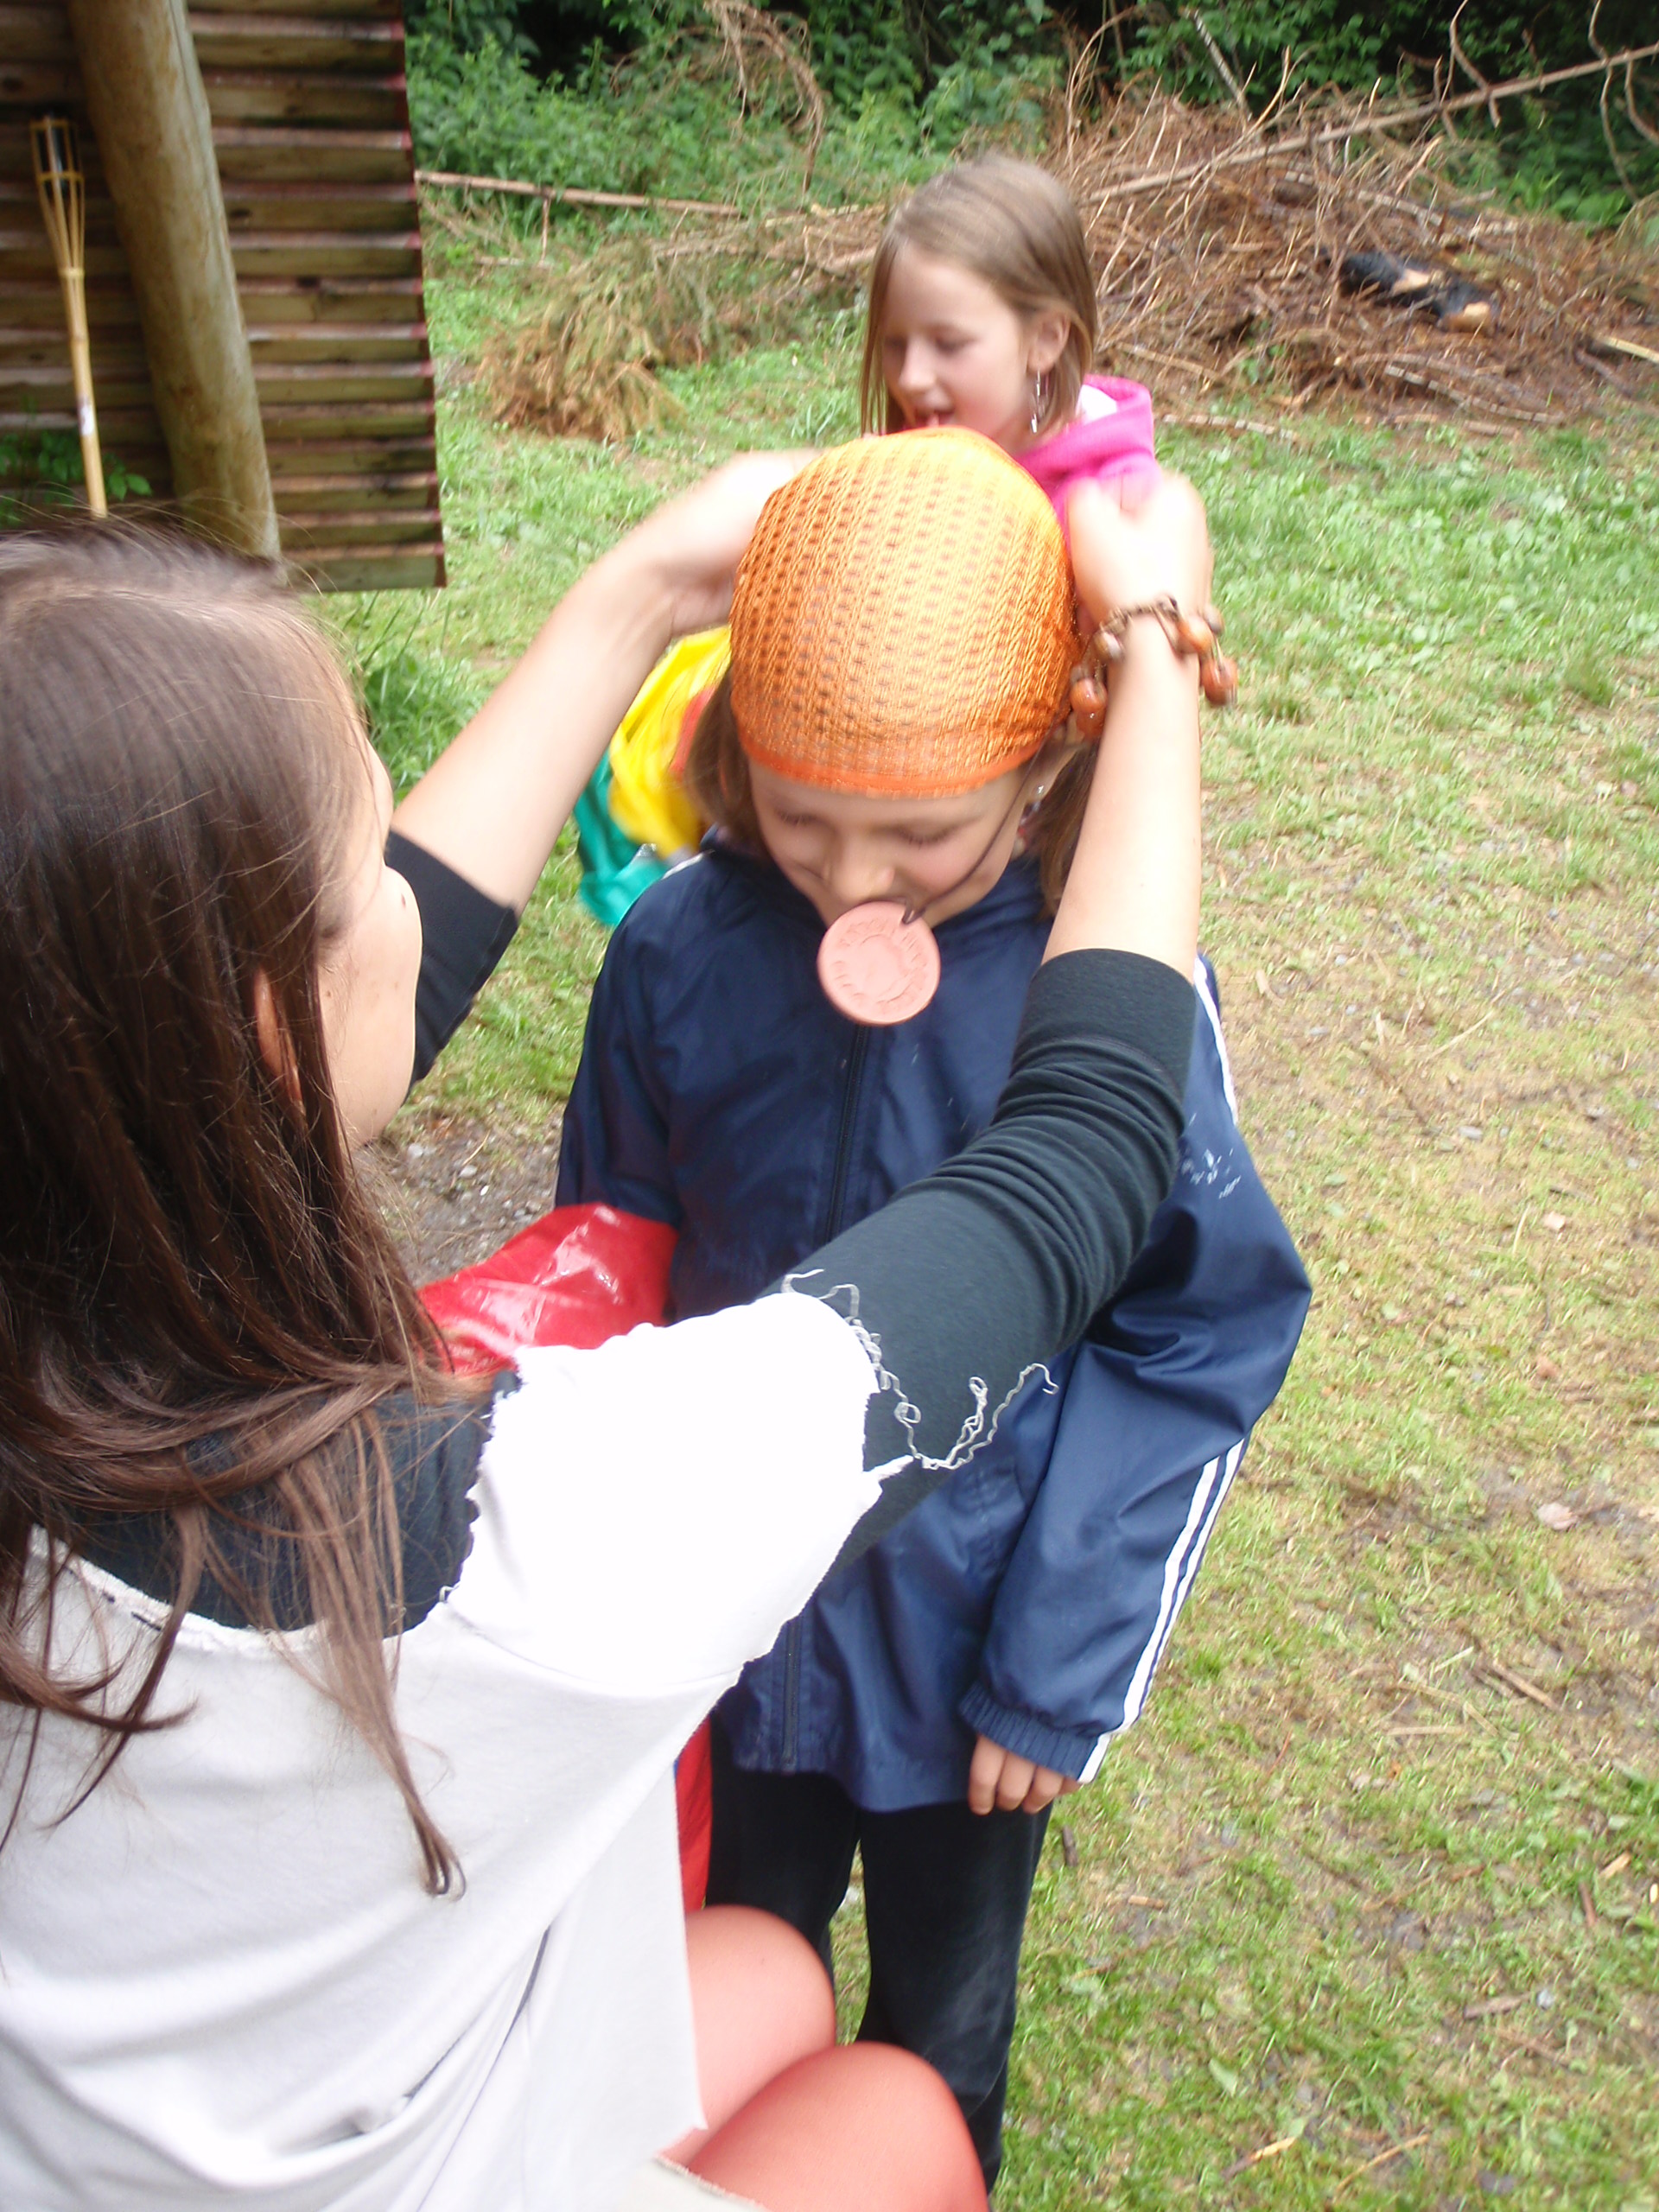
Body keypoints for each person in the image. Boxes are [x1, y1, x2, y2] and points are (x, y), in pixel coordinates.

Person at [0, 449, 1213, 2212]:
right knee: (899, 2115)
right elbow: (1081, 1162)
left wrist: (641, 589)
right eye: (374, 864)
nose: (415, 900)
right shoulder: (518, 1554)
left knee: (769, 1970)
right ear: (270, 1026)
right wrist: (1159, 642)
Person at [556, 429, 1310, 2190]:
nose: (854, 883)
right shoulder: (674, 951)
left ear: (1046, 766)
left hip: (969, 1675)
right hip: (719, 1640)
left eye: (922, 835)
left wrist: (1057, 1667)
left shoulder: (1108, 994)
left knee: (940, 2040)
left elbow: (1199, 1330)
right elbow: (604, 1266)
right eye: (800, 818)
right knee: (700, 1994)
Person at [861, 155, 1160, 556]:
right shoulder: (893, 467)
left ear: (1044, 340)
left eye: (948, 344)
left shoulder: (1117, 501)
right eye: (894, 344)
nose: (910, 377)